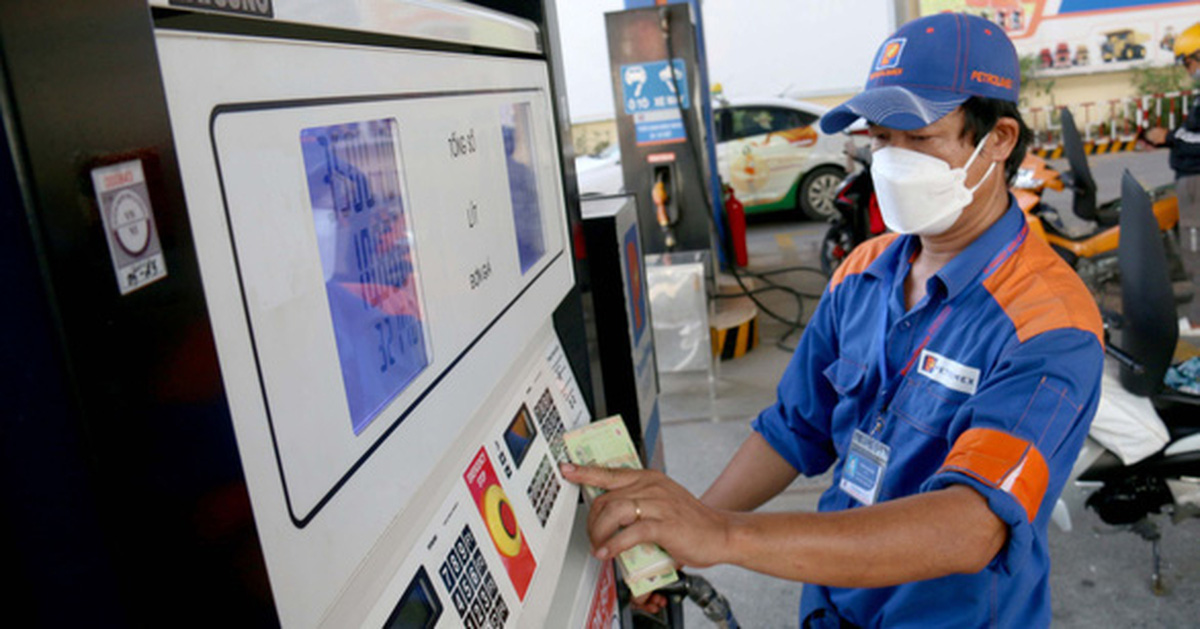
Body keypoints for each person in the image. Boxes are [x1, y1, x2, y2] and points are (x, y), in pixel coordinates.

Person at [561, 13, 1104, 628]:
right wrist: (680, 537)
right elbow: (794, 429)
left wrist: (726, 536)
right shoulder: (863, 271)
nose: (893, 162)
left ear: (999, 139)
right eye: (881, 139)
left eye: (919, 139)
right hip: (831, 606)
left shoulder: (1047, 322)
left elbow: (970, 525)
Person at [1145, 22, 1200, 331]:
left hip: (1197, 182)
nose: (1188, 69)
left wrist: (1169, 137)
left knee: (1197, 252)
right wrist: (1169, 137)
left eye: (1188, 62)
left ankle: (1197, 321)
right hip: (1190, 180)